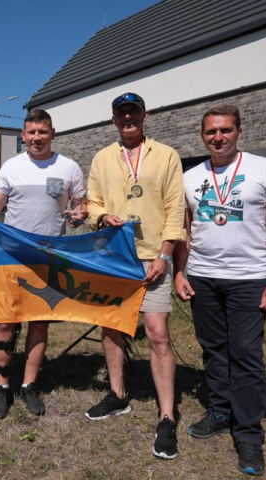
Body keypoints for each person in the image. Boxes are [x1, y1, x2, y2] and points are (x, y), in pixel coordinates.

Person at [173, 105, 266, 476]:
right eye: (211, 132)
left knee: (245, 354)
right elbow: (185, 231)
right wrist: (180, 271)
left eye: (225, 130)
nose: (218, 137)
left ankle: (249, 434)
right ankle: (221, 411)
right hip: (203, 277)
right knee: (213, 350)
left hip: (249, 278)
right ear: (203, 136)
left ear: (239, 132)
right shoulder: (190, 177)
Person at [0, 109, 86, 419]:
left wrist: (80, 215)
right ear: (23, 136)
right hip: (10, 258)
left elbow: (80, 208)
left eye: (42, 131)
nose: (37, 137)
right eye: (31, 132)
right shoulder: (12, 167)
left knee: (39, 323)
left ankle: (29, 385)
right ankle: (2, 387)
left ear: (52, 133)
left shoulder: (69, 167)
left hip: (49, 259)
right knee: (5, 323)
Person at [85, 92, 185, 460]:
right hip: (113, 256)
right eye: (121, 114)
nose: (128, 118)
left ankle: (167, 416)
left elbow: (176, 210)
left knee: (158, 335)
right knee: (110, 327)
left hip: (152, 259)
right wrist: (100, 216)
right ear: (114, 120)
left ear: (145, 116)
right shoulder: (102, 157)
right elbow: (91, 201)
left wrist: (165, 255)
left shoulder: (167, 155)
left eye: (134, 112)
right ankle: (118, 395)